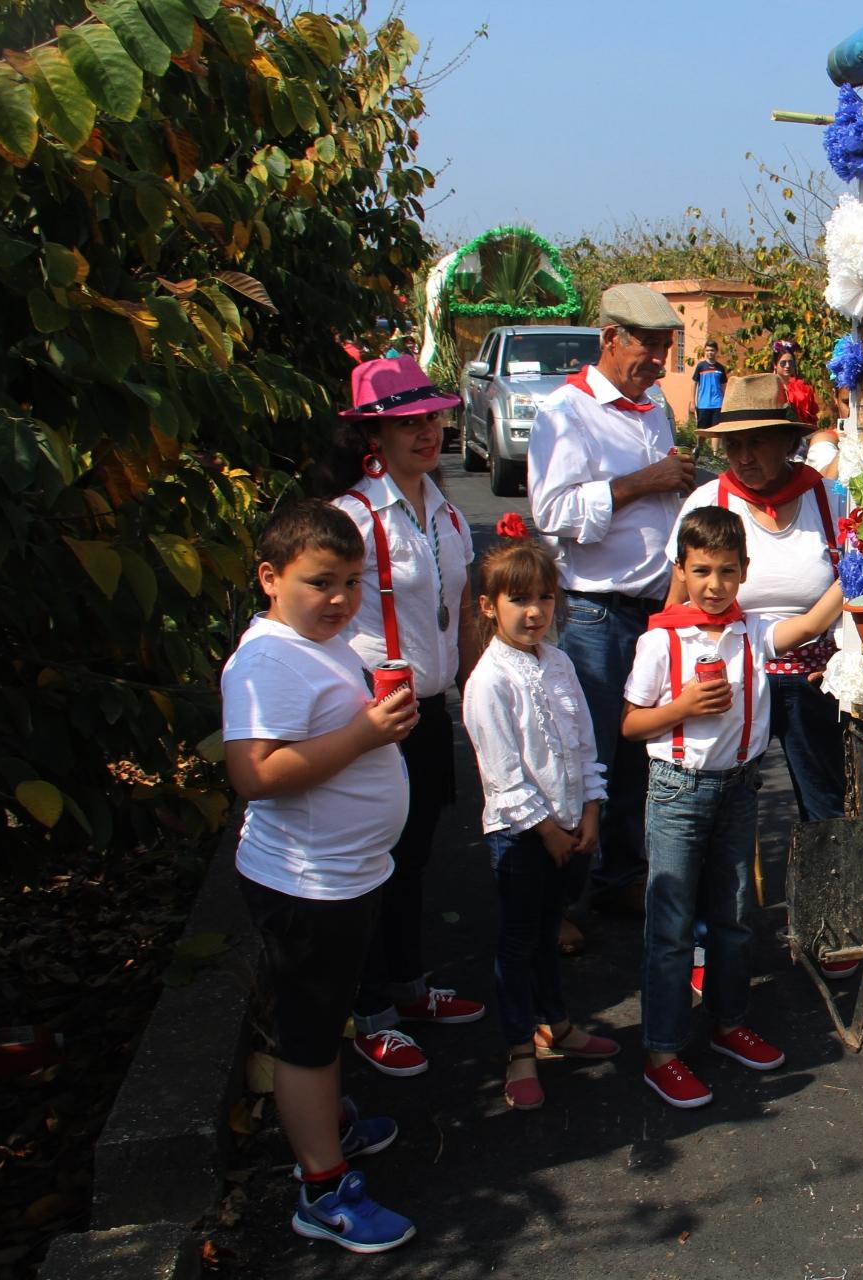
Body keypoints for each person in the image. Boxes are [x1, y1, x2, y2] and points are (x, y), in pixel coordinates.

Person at [221, 501, 418, 1253]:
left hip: (345, 875)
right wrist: (365, 734)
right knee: (307, 1037)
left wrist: (375, 729)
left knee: (327, 1015)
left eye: (352, 582)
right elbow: (256, 773)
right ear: (270, 579)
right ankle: (322, 1189)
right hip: (306, 884)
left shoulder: (316, 643)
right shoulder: (266, 662)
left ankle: (328, 1125)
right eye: (320, 582)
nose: (340, 598)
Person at [622, 507, 845, 1107]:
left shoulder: (752, 630)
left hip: (738, 789)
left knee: (734, 916)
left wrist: (860, 569)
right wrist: (683, 707)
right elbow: (630, 724)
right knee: (671, 927)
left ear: (745, 571)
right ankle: (662, 1052)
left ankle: (728, 1023)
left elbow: (809, 625)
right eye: (701, 571)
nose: (714, 585)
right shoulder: (661, 640)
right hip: (678, 790)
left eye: (726, 571)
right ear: (681, 571)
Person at [331, 356, 486, 1080]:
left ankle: (408, 986)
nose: (427, 432)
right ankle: (371, 1013)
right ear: (374, 434)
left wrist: (475, 694)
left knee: (414, 857)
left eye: (432, 418)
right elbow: (317, 615)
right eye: (407, 423)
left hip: (427, 711)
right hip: (372, 717)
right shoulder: (353, 518)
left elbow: (459, 610)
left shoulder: (445, 512)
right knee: (374, 864)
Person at [527, 283, 696, 922]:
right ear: (609, 339)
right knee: (584, 755)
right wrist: (644, 482)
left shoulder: (653, 410)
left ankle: (618, 876)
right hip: (596, 613)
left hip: (653, 610)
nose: (658, 361)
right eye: (647, 346)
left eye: (665, 348)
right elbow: (553, 513)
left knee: (634, 756)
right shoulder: (565, 412)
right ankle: (562, 901)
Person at [461, 536, 622, 1111]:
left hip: (568, 827)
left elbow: (583, 744)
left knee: (549, 928)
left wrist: (591, 809)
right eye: (519, 600)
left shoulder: (559, 663)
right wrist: (547, 830)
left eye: (545, 598)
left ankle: (557, 1023)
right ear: (489, 607)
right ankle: (519, 1048)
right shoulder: (489, 681)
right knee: (518, 941)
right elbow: (503, 771)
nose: (534, 612)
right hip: (522, 835)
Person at [667, 374, 848, 825]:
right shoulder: (708, 502)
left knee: (825, 807)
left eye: (757, 443)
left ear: (787, 441)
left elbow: (861, 584)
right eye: (733, 445)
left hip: (814, 681)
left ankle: (821, 873)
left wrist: (846, 659)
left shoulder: (828, 500)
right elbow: (676, 608)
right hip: (731, 680)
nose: (743, 457)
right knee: (723, 801)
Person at [771, 340, 818, 426]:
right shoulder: (768, 387)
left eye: (790, 362)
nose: (787, 366)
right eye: (783, 363)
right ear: (775, 365)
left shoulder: (803, 388)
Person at [691, 340, 727, 433]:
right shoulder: (700, 366)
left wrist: (725, 402)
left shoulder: (720, 368)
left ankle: (715, 444)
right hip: (703, 404)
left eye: (712, 350)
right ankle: (700, 443)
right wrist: (693, 402)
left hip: (717, 404)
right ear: (704, 351)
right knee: (702, 432)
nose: (709, 352)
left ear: (716, 351)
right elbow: (694, 383)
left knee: (716, 432)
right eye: (707, 350)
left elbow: (724, 386)